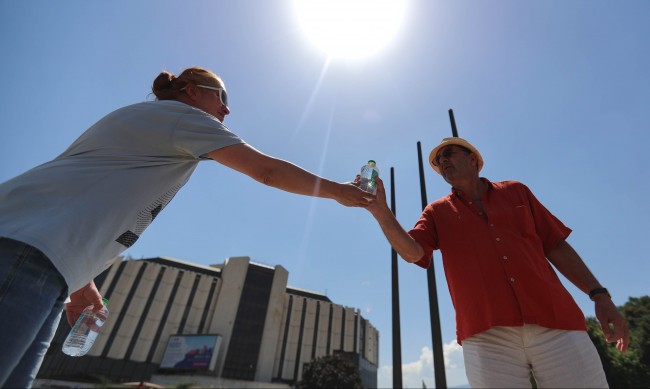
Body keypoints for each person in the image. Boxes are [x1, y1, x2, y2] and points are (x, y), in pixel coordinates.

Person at [0, 66, 373, 388]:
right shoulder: (181, 118)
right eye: (221, 96)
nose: (227, 108)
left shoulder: (146, 125)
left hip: (43, 263)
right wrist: (339, 191)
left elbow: (79, 197)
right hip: (23, 254)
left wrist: (81, 282)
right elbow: (267, 172)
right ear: (192, 92)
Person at [363, 136, 628, 388]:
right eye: (438, 161)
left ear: (473, 160)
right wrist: (380, 211)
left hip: (556, 323)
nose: (442, 162)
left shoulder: (517, 192)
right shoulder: (436, 212)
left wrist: (599, 295)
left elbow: (556, 245)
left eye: (449, 154)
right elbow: (412, 253)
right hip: (487, 338)